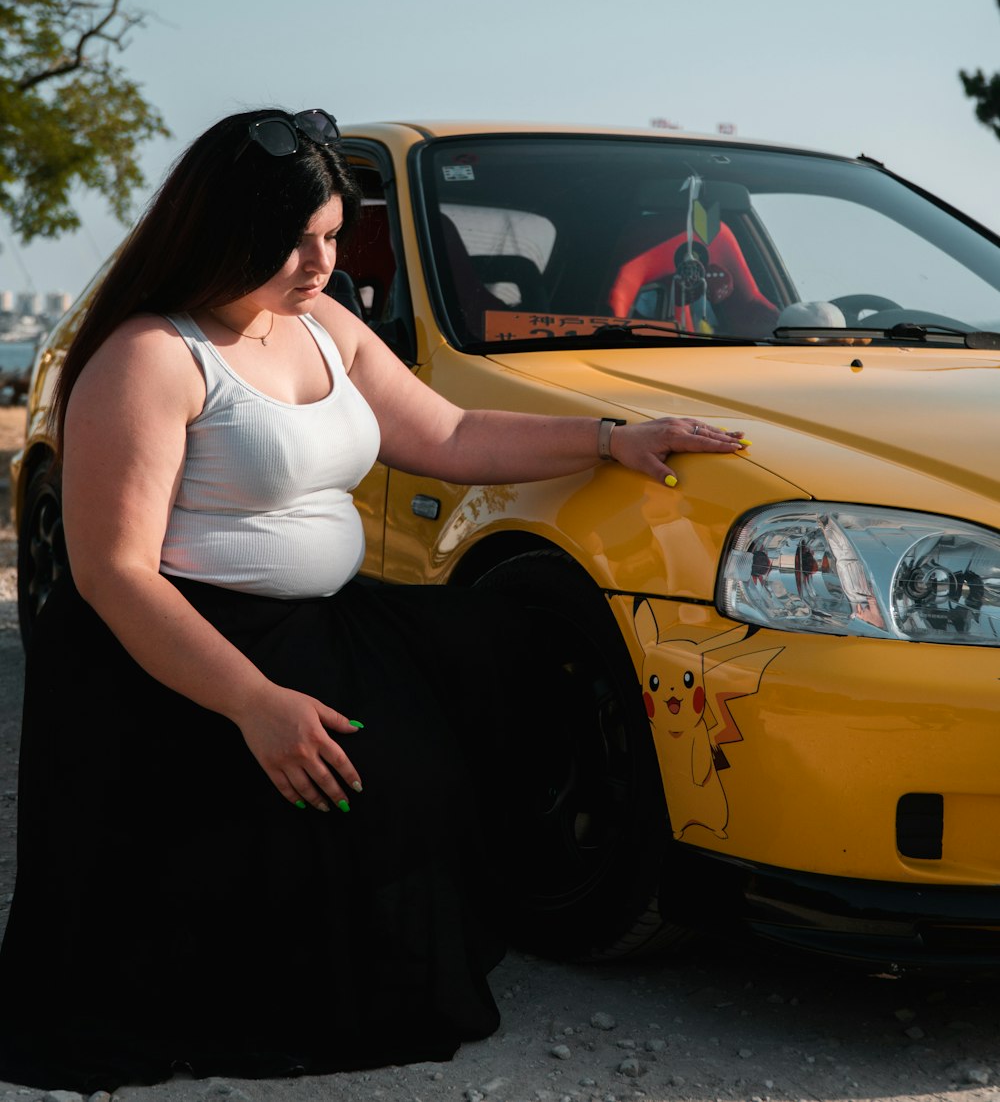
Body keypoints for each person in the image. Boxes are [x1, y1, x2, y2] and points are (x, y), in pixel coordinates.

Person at [0, 109, 747, 1091]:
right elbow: (114, 573)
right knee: (339, 804)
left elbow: (449, 433)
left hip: (323, 621)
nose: (326, 261)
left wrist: (612, 438)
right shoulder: (150, 355)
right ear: (222, 232)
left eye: (331, 234)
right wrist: (254, 705)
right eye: (299, 241)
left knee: (493, 674)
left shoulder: (321, 324)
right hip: (181, 656)